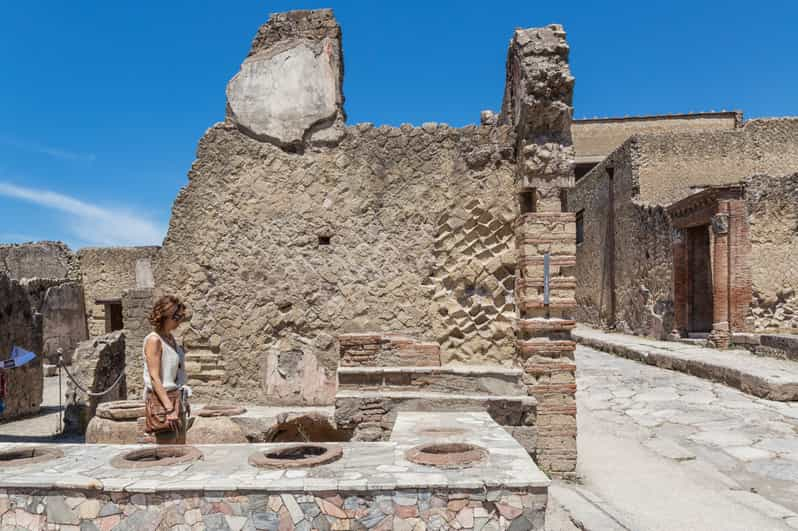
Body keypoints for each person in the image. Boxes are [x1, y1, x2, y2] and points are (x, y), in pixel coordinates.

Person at [143, 295, 190, 444]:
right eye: (176, 317)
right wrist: (169, 408)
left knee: (180, 447)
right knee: (167, 448)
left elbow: (175, 374)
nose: (179, 321)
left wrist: (183, 400)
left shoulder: (170, 338)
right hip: (163, 401)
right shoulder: (154, 340)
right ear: (165, 315)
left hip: (175, 397)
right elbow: (154, 378)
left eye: (180, 317)